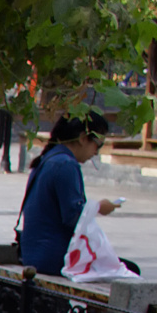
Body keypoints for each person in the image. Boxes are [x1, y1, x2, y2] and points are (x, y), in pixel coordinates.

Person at [18, 111, 119, 275]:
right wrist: (99, 207)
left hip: (33, 254)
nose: (96, 153)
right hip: (53, 258)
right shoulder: (65, 165)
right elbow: (73, 217)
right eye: (97, 145)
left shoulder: (49, 159)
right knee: (125, 270)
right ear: (82, 138)